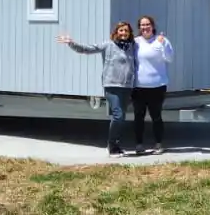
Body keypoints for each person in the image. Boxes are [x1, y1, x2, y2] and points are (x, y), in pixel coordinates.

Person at [57, 22, 136, 155]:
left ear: (129, 33)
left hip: (127, 86)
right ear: (116, 32)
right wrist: (71, 43)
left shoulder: (132, 47)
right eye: (121, 30)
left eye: (126, 31)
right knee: (118, 115)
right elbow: (87, 49)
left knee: (121, 118)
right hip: (112, 85)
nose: (123, 33)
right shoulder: (108, 45)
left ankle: (116, 144)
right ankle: (111, 146)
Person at [132, 14, 174, 153]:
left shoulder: (161, 40)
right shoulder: (135, 42)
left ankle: (158, 144)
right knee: (139, 117)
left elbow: (170, 58)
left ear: (153, 26)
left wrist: (162, 45)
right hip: (138, 86)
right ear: (139, 28)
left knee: (156, 117)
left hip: (157, 86)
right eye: (142, 25)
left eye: (147, 24)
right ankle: (139, 144)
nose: (145, 27)